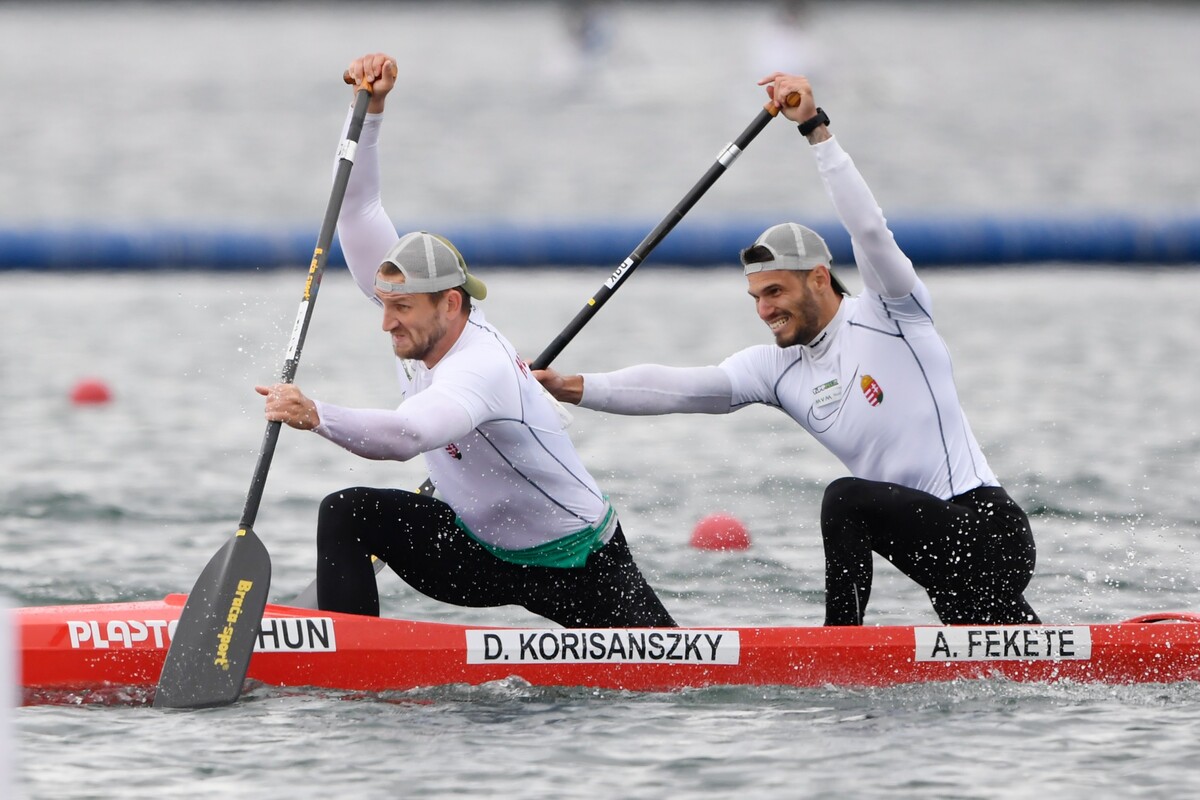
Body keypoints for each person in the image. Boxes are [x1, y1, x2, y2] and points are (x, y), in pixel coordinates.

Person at [536, 72, 1039, 627]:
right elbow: (677, 387)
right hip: (937, 555)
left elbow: (870, 231)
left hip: (988, 531)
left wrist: (815, 130)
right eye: (755, 296)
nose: (764, 310)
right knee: (1005, 654)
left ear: (819, 279)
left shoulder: (891, 313)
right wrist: (570, 386)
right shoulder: (779, 371)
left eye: (775, 292)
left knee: (845, 500)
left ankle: (837, 649)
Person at [256, 53, 675, 628]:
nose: (387, 323)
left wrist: (315, 413)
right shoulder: (412, 311)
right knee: (348, 513)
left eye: (401, 309)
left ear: (449, 303)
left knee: (666, 677)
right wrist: (370, 112)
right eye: (384, 304)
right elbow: (357, 209)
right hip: (476, 552)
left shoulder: (481, 365)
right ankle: (352, 670)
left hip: (576, 561)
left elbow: (409, 435)